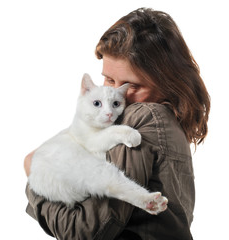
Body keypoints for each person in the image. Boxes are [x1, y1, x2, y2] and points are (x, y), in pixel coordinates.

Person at [24, 8, 210, 240]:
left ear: (167, 82)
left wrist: (34, 176)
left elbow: (85, 230)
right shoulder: (168, 121)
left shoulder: (143, 116)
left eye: (132, 86)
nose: (118, 96)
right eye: (109, 79)